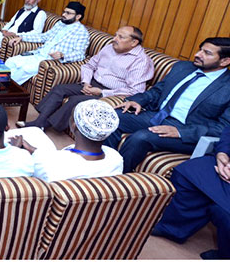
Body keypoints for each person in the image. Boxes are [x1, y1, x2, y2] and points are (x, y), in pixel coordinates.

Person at [105, 37, 230, 173]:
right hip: (158, 116)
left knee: (141, 138)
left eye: (207, 53)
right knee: (110, 117)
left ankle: (114, 177)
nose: (197, 55)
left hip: (187, 130)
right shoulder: (182, 67)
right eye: (200, 50)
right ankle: (103, 165)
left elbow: (223, 128)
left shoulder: (227, 86)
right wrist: (138, 101)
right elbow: (158, 91)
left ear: (225, 61)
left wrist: (180, 132)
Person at [18, 26, 154, 132]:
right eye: (116, 35)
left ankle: (46, 124)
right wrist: (86, 82)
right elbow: (90, 65)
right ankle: (39, 122)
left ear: (134, 42)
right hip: (92, 83)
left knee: (75, 101)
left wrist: (102, 93)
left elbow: (135, 90)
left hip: (111, 92)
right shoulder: (109, 48)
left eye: (121, 37)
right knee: (59, 89)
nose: (115, 39)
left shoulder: (141, 61)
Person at [152, 125, 230, 259]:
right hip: (226, 165)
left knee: (222, 212)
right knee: (186, 173)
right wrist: (222, 153)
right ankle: (173, 229)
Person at [13, 99, 123, 182]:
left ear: (74, 126)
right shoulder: (116, 159)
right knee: (37, 132)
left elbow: (41, 165)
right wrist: (33, 149)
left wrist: (15, 150)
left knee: (33, 133)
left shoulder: (51, 166)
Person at [5, 1, 89, 85]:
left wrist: (63, 55)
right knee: (11, 61)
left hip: (49, 61)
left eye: (68, 13)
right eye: (64, 11)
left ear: (78, 16)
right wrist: (22, 37)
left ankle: (4, 90)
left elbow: (80, 54)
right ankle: (0, 86)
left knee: (25, 69)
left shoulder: (81, 32)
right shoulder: (60, 23)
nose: (63, 14)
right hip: (37, 54)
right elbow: (44, 37)